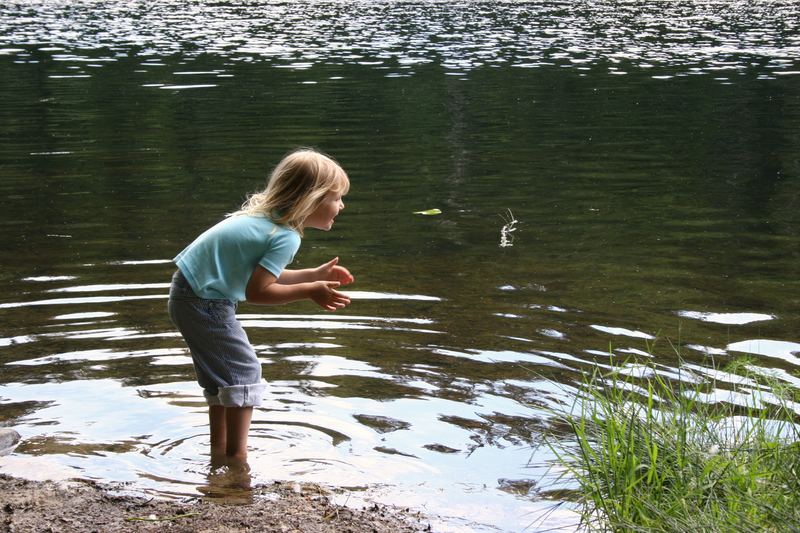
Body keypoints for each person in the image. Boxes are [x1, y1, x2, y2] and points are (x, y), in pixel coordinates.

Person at [168, 147, 354, 463]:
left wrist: (312, 273)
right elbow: (258, 292)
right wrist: (311, 290)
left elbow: (261, 273)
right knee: (245, 372)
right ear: (313, 199)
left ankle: (220, 453)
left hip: (188, 295)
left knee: (220, 378)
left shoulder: (264, 222)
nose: (342, 205)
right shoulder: (285, 236)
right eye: (336, 198)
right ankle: (238, 458)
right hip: (205, 302)